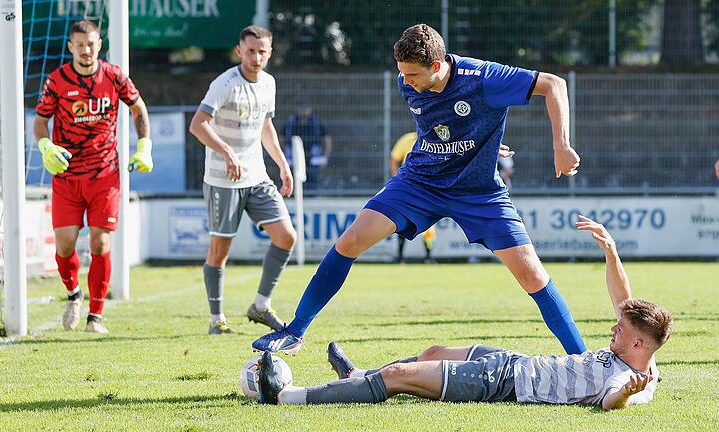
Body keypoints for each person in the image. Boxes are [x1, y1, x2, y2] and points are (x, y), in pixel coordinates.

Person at [253, 24, 584, 355]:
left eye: (412, 74)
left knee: (532, 275)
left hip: (478, 192)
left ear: (437, 66)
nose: (405, 81)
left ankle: (583, 362)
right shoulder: (407, 80)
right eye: (402, 73)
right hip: (420, 181)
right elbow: (440, 125)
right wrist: (476, 141)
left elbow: (554, 84)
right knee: (350, 240)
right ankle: (295, 331)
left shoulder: (483, 77)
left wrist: (562, 145)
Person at [256, 215, 673, 410]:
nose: (613, 327)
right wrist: (611, 251)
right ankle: (356, 378)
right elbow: (624, 301)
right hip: (515, 361)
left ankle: (289, 397)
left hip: (506, 384)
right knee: (433, 351)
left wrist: (625, 396)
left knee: (399, 378)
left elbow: (612, 402)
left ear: (638, 342)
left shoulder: (632, 377)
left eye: (620, 329)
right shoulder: (634, 343)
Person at [33, 20, 153, 334]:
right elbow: (40, 120)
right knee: (65, 244)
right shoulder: (57, 81)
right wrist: (45, 145)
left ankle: (95, 316)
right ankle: (74, 294)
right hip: (67, 176)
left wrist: (144, 147)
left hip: (104, 175)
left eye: (92, 44)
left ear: (100, 45)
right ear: (71, 47)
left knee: (100, 243)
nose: (86, 50)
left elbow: (138, 108)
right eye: (80, 44)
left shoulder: (113, 76)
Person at [189, 26, 296, 335]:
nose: (256, 57)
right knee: (219, 251)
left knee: (286, 237)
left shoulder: (269, 83)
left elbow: (266, 127)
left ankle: (261, 305)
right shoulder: (225, 83)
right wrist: (226, 152)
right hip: (223, 180)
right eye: (251, 51)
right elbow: (198, 124)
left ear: (270, 52)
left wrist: (283, 166)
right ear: (239, 51)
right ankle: (216, 319)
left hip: (257, 176)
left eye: (262, 51)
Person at [390, 131, 435, 263]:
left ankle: (428, 257)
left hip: (427, 188)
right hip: (408, 187)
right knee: (403, 221)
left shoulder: (435, 140)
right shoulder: (407, 140)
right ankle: (400, 257)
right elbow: (394, 159)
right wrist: (397, 180)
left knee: (429, 225)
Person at [283, 105, 333, 191]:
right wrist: (283, 156)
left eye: (306, 108)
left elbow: (327, 140)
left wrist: (325, 156)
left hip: (313, 155)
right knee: (293, 175)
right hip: (294, 155)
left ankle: (311, 194)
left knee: (312, 176)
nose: (303, 111)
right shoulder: (291, 122)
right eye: (301, 108)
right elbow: (281, 138)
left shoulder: (316, 122)